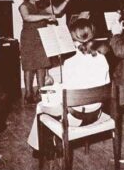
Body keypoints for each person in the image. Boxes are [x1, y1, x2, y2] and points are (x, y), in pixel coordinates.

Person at [27, 19, 110, 154]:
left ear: (73, 41)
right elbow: (104, 86)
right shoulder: (102, 59)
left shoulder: (70, 63)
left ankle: (43, 149)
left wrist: (53, 84)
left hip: (76, 118)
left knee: (41, 106)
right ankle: (51, 143)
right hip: (96, 113)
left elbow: (66, 95)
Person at [19, 0, 72, 104]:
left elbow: (57, 11)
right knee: (29, 66)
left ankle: (41, 92)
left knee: (41, 65)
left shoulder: (42, 5)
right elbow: (27, 17)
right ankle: (28, 94)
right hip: (29, 38)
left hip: (42, 37)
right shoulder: (23, 6)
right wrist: (46, 17)